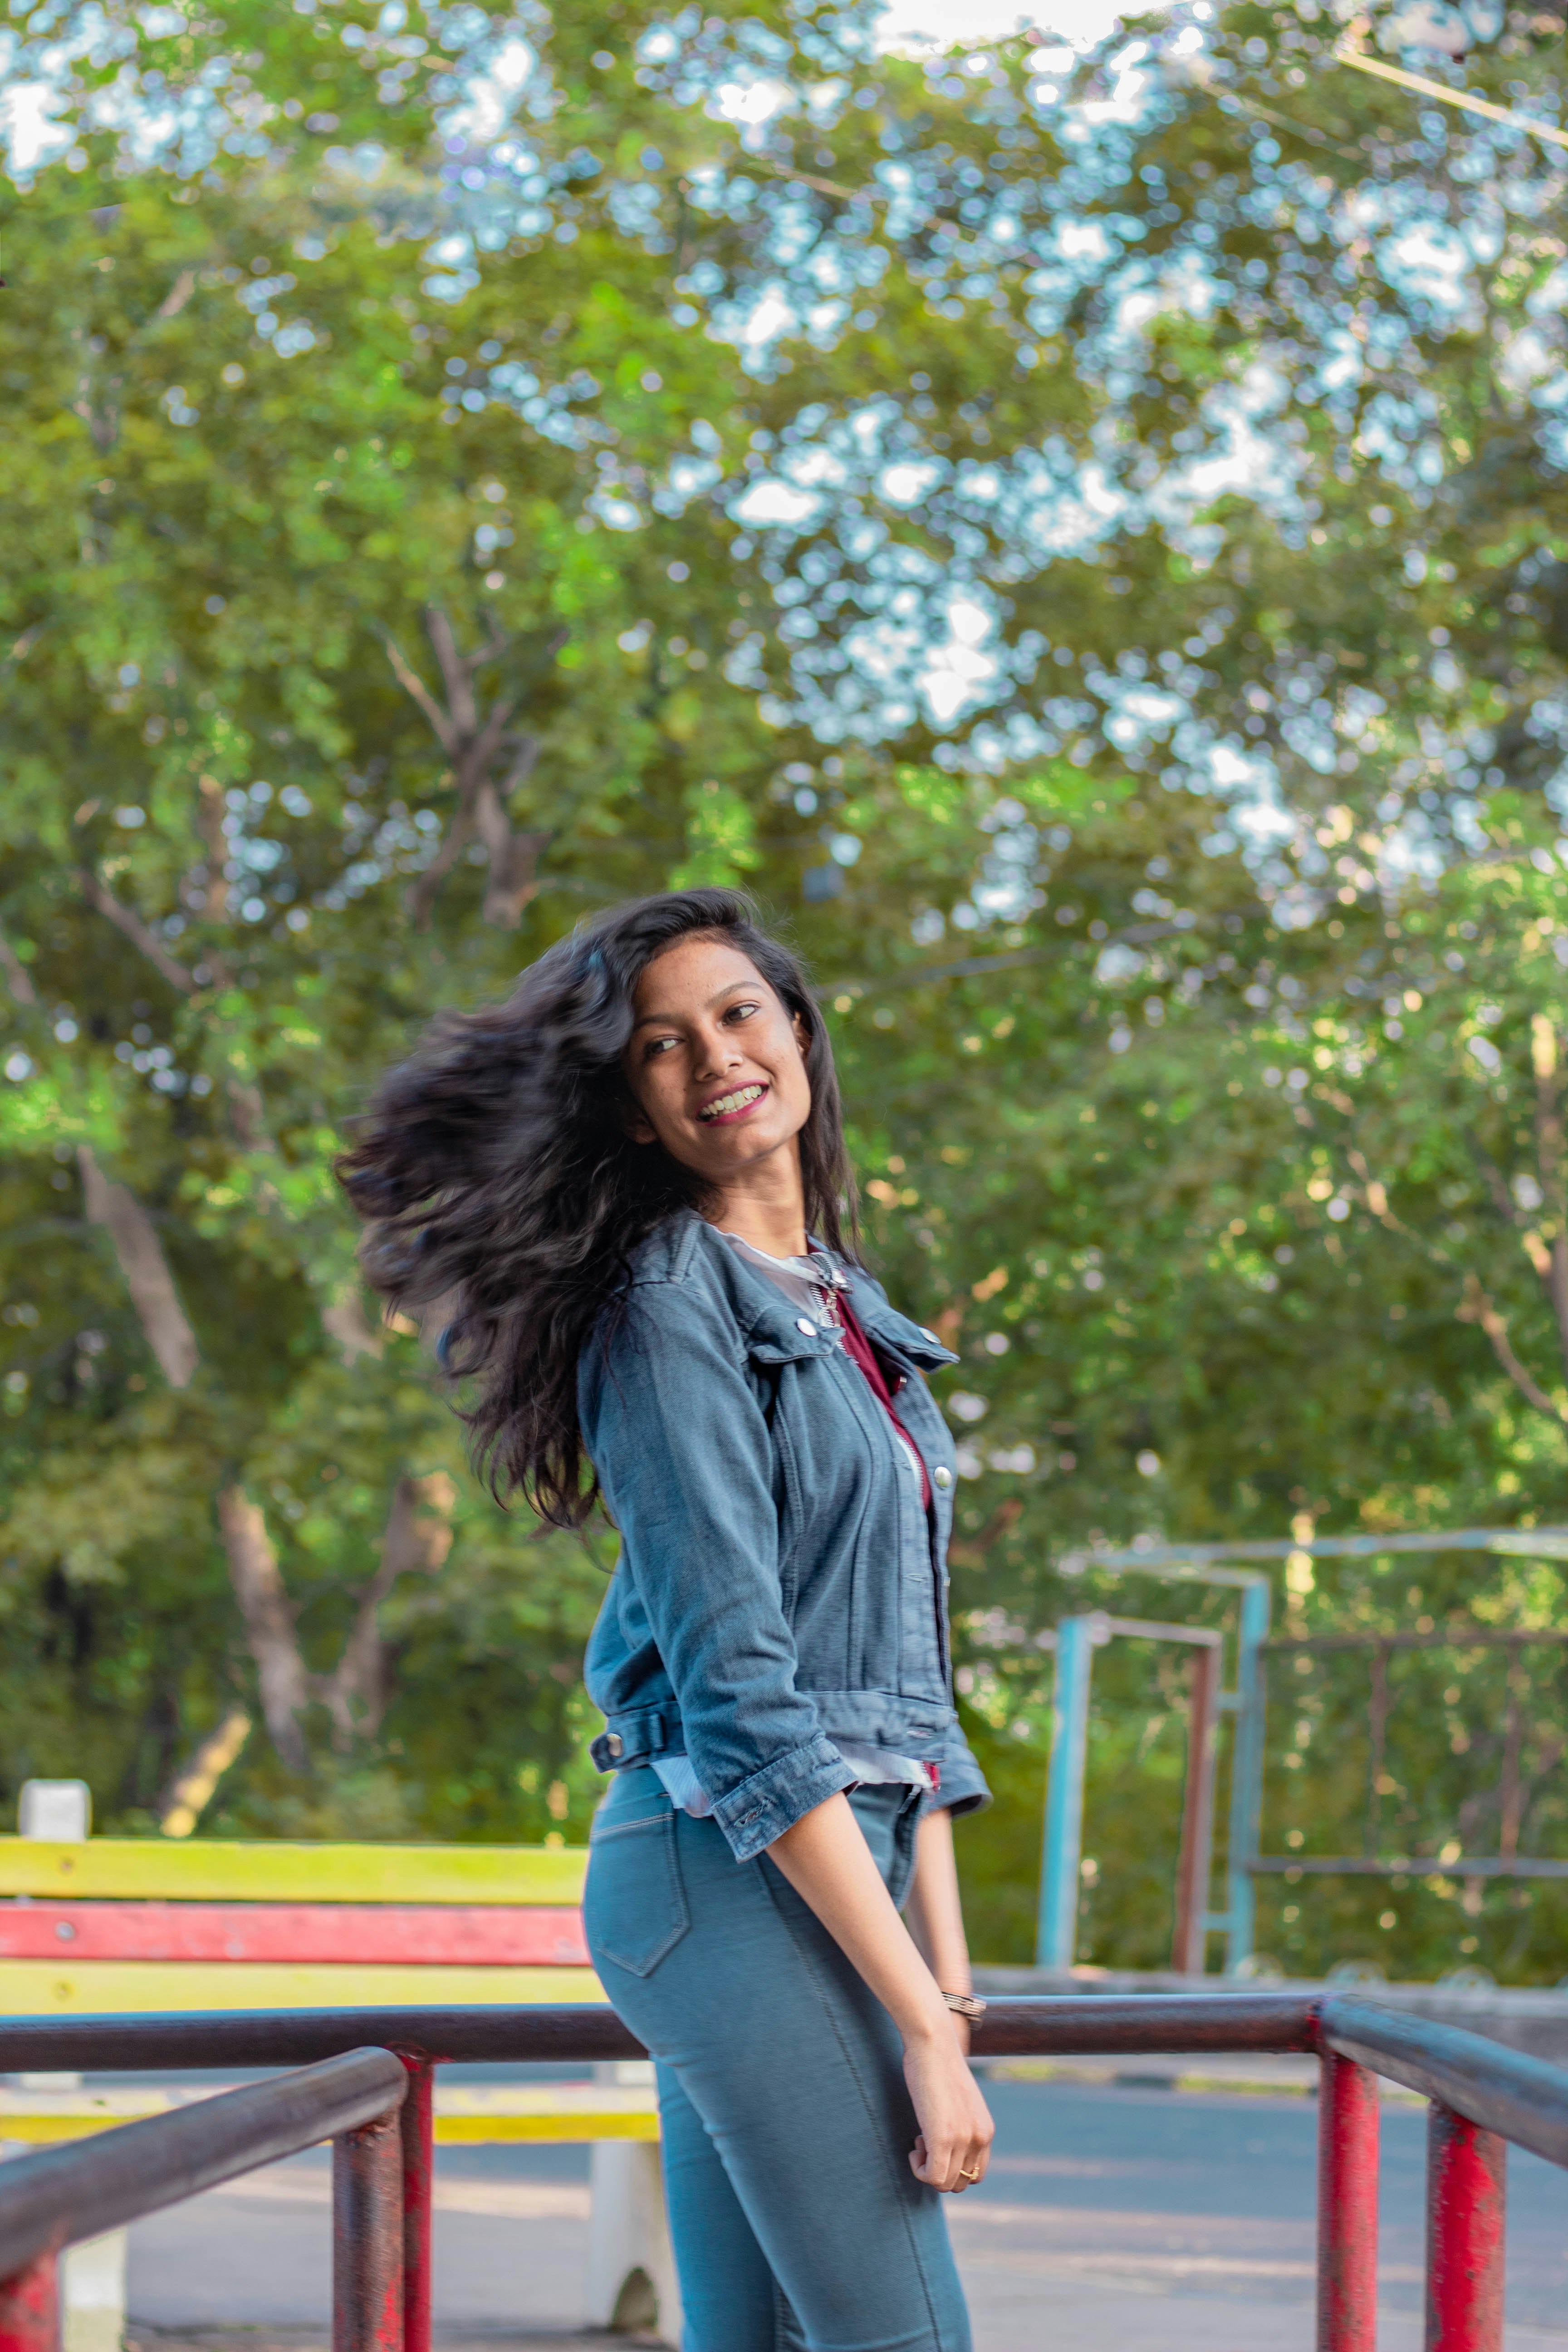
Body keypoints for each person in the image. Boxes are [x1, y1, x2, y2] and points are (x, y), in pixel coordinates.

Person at [341, 886, 994, 2352]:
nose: (713, 1059)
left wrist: (946, 1985)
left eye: (738, 1013)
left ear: (800, 1035)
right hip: (727, 1882)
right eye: (660, 1045)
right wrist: (921, 2024)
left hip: (828, 1893)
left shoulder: (849, 1309)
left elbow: (912, 1692)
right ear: (633, 1110)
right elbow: (745, 1696)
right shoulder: (665, 1299)